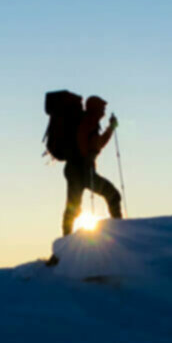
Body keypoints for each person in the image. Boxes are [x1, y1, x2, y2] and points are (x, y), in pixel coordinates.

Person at [44, 90, 123, 237]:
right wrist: (87, 157)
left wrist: (110, 129)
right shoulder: (89, 120)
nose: (104, 111)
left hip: (75, 169)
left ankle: (66, 239)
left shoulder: (89, 120)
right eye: (102, 108)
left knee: (74, 207)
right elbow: (88, 141)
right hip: (82, 170)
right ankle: (120, 231)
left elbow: (97, 143)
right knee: (113, 195)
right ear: (96, 108)